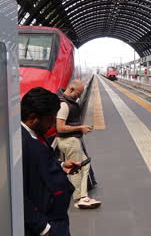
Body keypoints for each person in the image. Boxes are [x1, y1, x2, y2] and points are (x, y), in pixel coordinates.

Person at [21, 87, 80, 236]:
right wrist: (43, 228)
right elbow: (18, 193)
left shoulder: (35, 133)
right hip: (46, 224)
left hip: (56, 217)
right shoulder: (20, 145)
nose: (54, 123)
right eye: (51, 118)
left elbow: (41, 163)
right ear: (33, 117)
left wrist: (61, 165)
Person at [56, 79, 101, 209]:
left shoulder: (69, 102)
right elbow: (60, 128)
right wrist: (80, 128)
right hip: (69, 141)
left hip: (73, 140)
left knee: (85, 163)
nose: (79, 97)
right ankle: (79, 198)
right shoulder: (64, 105)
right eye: (78, 94)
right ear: (71, 89)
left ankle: (83, 195)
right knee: (76, 169)